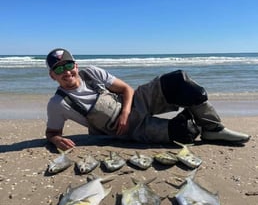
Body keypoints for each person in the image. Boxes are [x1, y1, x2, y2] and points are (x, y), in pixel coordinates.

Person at [45, 48, 250, 151]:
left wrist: (125, 112)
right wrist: (55, 139)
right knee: (186, 133)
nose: (66, 72)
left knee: (179, 81)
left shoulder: (91, 72)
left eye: (68, 65)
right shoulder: (58, 104)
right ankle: (193, 122)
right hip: (129, 130)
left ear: (76, 65)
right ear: (52, 75)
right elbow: (52, 132)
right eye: (59, 69)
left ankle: (214, 129)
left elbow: (126, 89)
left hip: (134, 103)